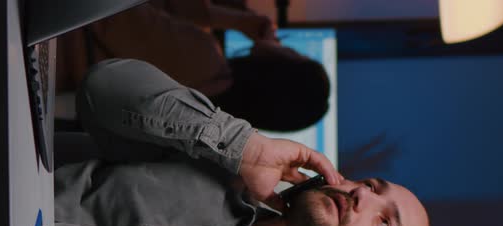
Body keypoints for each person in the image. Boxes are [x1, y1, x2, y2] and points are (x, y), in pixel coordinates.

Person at [51, 58, 430, 226]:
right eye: (369, 185)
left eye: (384, 224)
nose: (363, 197)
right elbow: (103, 85)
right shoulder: (221, 162)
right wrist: (244, 147)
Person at [56, 0, 330, 132]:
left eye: (292, 53)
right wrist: (239, 20)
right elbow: (163, 11)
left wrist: (238, 21)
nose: (285, 45)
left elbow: (117, 9)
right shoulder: (203, 109)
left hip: (55, 36)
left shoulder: (205, 59)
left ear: (279, 71)